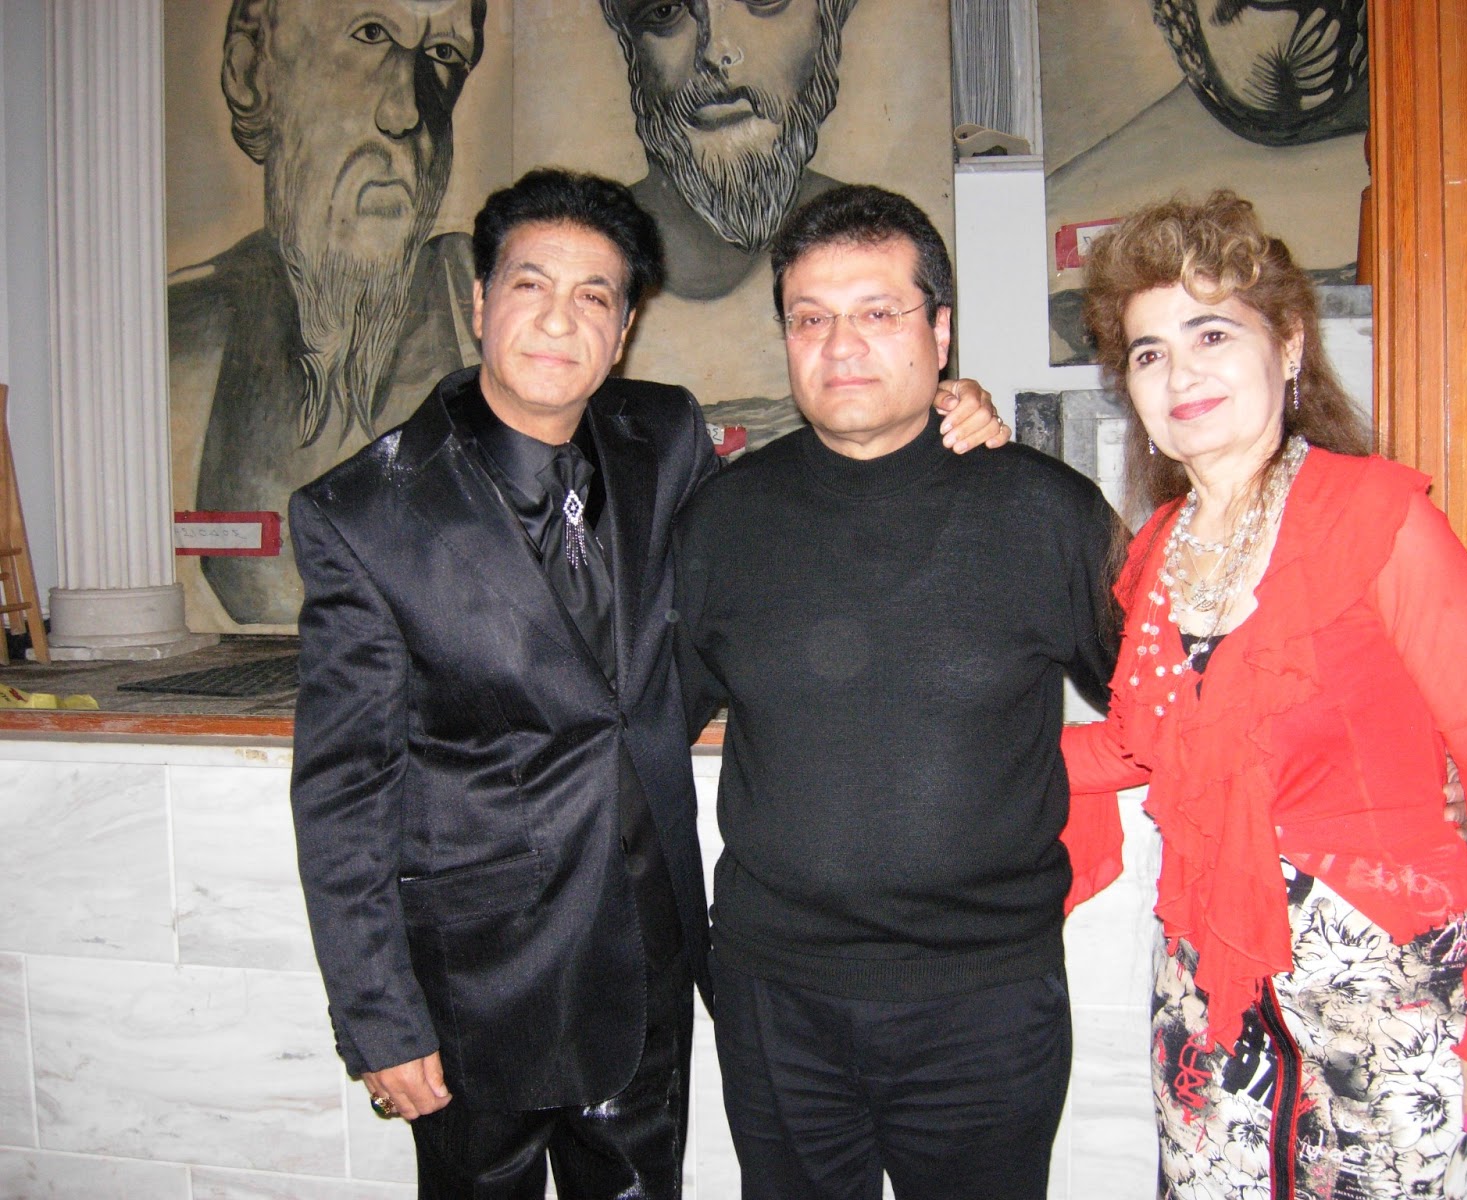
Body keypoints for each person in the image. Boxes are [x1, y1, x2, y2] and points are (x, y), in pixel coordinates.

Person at [289, 168, 1005, 1199]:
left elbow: (780, 528)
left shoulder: (661, 437)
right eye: (531, 286)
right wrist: (377, 1016)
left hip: (643, 962)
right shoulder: (364, 513)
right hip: (477, 989)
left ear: (623, 329)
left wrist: (937, 412)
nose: (559, 320)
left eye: (594, 296)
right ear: (480, 304)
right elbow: (344, 791)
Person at [1060, 190, 1467, 1198]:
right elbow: (1138, 744)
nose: (1180, 372)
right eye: (1150, 351)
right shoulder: (1156, 555)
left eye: (1212, 333)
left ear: (1288, 344)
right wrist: (959, 752)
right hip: (1209, 985)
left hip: (1390, 985)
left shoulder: (1380, 517)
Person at [672, 184, 1120, 1199]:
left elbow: (1168, 706)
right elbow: (647, 726)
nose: (842, 346)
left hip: (984, 1004)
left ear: (940, 331)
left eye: (878, 312)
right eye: (810, 318)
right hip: (775, 996)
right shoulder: (724, 522)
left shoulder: (1043, 513)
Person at [169, 0, 488, 626]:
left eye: (443, 53)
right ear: (252, 72)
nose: (406, 113)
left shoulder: (493, 318)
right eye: (370, 34)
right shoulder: (171, 339)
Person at [597, 0, 859, 300]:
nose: (714, 53)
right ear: (631, 47)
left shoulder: (880, 241)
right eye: (665, 11)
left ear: (829, 16)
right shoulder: (588, 246)